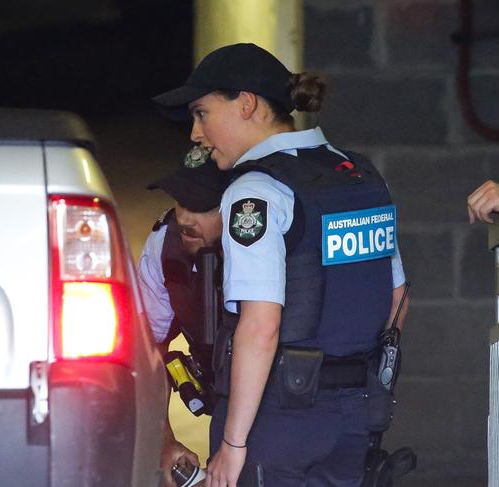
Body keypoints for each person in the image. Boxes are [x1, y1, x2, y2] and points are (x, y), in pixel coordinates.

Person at [153, 43, 409, 487]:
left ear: (246, 104)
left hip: (279, 419)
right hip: (356, 414)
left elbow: (261, 324)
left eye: (202, 113)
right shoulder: (362, 175)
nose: (196, 133)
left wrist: (234, 445)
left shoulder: (256, 189)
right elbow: (397, 297)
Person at [138, 160, 233, 487]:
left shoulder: (267, 244)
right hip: (220, 399)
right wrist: (164, 440)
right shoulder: (165, 245)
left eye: (203, 207)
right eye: (181, 202)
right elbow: (148, 349)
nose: (185, 218)